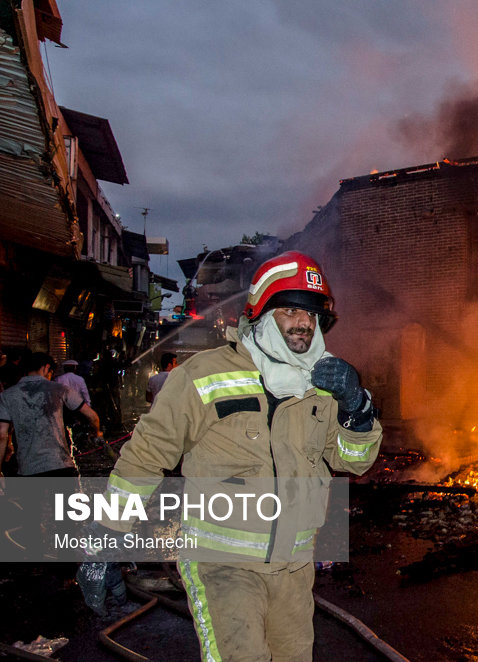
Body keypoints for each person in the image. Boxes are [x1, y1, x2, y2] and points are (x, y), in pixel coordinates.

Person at [83, 251, 382, 660]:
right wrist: (105, 540)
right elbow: (146, 455)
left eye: (312, 315)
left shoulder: (324, 384)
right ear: (260, 313)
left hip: (293, 570)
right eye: (291, 309)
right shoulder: (202, 375)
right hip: (222, 566)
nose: (304, 323)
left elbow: (354, 460)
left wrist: (358, 409)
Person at [0, 352, 101, 477]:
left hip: (28, 469)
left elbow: (2, 435)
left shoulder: (7, 395)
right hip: (59, 465)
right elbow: (92, 416)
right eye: (51, 372)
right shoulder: (60, 389)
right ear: (46, 368)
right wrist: (97, 432)